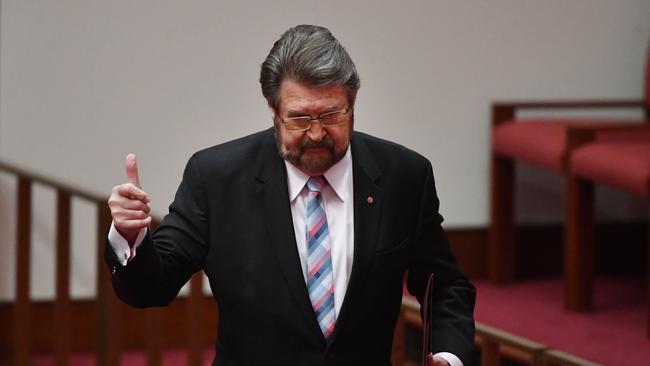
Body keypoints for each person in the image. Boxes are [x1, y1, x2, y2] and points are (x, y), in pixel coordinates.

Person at [106, 24, 475, 366]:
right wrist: (130, 233)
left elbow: (444, 286)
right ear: (273, 110)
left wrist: (448, 356)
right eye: (299, 119)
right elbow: (152, 287)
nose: (316, 133)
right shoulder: (217, 178)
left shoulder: (402, 176)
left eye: (332, 115)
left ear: (353, 104)